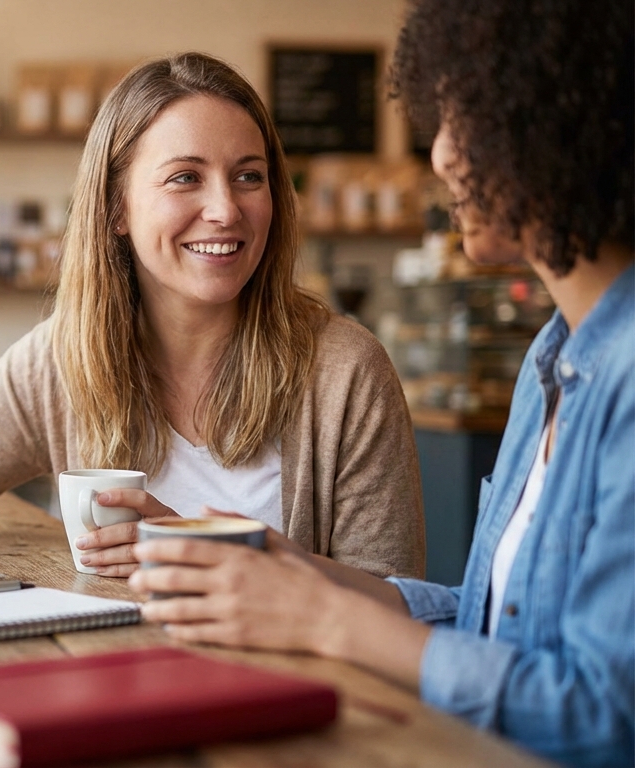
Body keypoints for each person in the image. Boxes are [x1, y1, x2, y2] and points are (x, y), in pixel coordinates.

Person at [127, 2, 634, 766]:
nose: (438, 155)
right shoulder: (550, 364)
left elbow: (604, 716)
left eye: (464, 118)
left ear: (562, 127)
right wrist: (310, 578)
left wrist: (327, 623)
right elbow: (502, 630)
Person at [0, 52, 425, 580]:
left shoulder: (346, 371)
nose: (225, 209)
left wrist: (194, 548)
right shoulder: (63, 358)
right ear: (117, 209)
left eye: (249, 176)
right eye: (185, 177)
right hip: (107, 678)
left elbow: (396, 600)